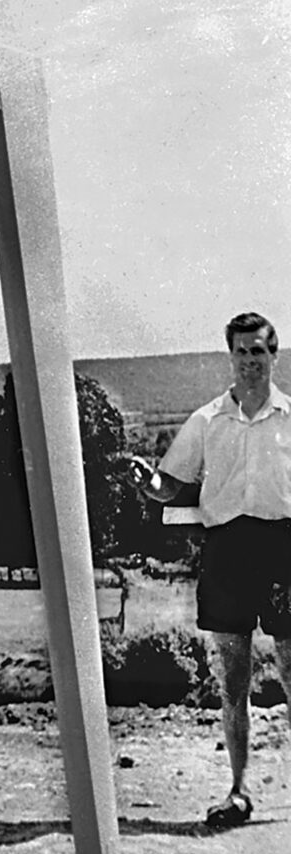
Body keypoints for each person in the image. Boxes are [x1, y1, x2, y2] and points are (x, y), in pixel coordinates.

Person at [128, 311, 291, 828]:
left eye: (259, 352)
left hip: (283, 551)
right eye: (242, 352)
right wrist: (146, 483)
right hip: (227, 552)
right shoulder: (205, 420)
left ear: (274, 356)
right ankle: (239, 792)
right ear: (231, 356)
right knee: (233, 682)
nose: (251, 362)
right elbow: (170, 486)